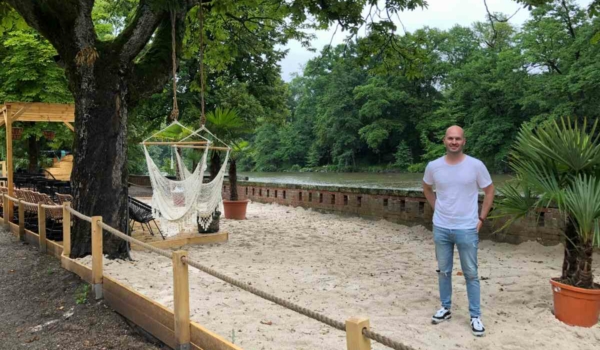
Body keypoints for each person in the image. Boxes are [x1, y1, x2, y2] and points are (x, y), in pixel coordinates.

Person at [422, 125, 495, 337]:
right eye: (450, 138)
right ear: (444, 141)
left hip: (467, 227)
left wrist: (481, 218)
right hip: (441, 227)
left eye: (458, 139)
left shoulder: (476, 165)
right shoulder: (433, 166)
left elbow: (490, 191)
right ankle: (445, 308)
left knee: (471, 273)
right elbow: (426, 188)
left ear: (464, 142)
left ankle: (475, 316)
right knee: (444, 271)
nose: (454, 142)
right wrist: (437, 207)